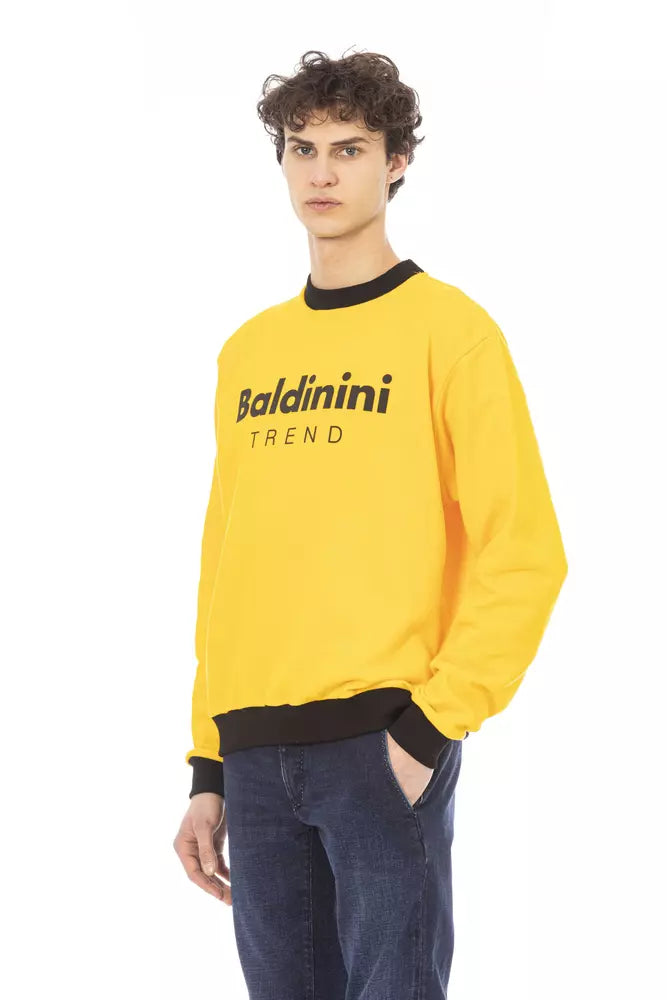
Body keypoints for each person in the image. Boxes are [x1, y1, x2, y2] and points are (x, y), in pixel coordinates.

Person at [172, 48, 568, 1000]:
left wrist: (427, 731)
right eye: (301, 148)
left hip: (381, 744)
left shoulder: (450, 333)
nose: (321, 172)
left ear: (395, 163)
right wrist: (208, 763)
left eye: (348, 149)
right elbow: (227, 565)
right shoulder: (249, 353)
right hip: (252, 755)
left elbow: (524, 554)